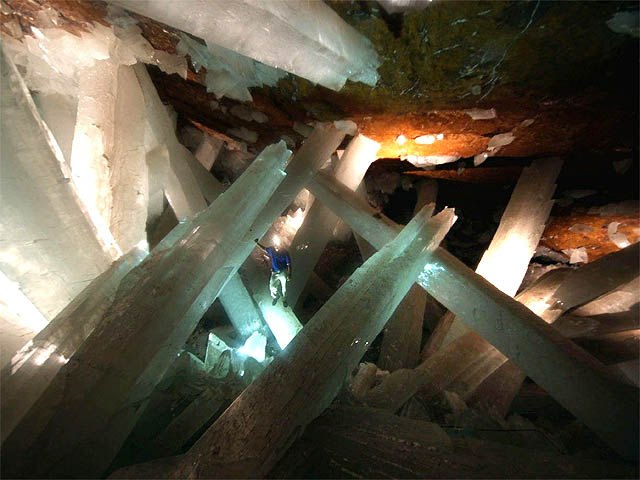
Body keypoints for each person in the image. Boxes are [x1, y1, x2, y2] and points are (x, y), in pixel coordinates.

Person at [254, 238, 292, 307]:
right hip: (274, 273)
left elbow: (289, 265)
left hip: (282, 272)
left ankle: (284, 300)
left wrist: (289, 274)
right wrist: (257, 243)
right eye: (275, 245)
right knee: (272, 287)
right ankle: (276, 297)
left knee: (284, 288)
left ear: (281, 245)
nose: (276, 246)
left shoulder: (285, 252)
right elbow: (264, 249)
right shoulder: (272, 250)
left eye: (278, 245)